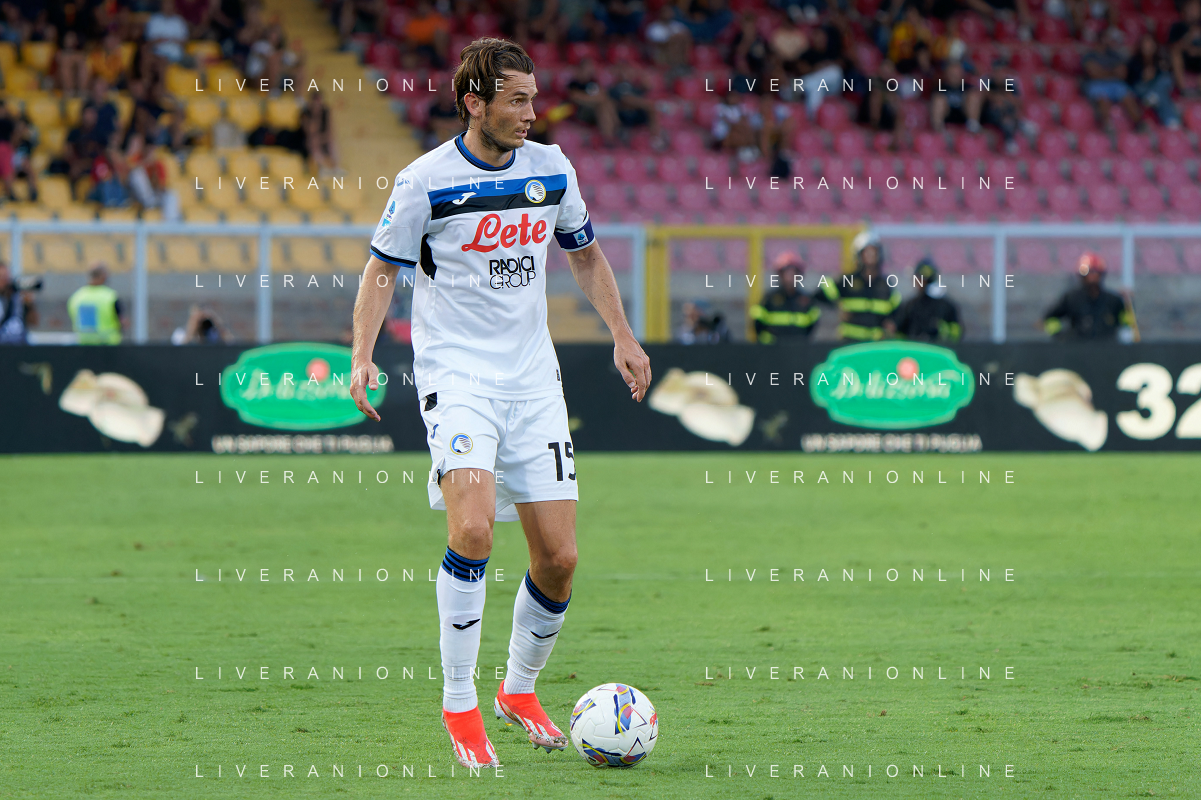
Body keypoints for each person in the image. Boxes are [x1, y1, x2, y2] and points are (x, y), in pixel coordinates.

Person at [348, 38, 651, 770]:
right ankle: (460, 704)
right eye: (516, 100)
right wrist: (361, 355)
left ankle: (517, 691)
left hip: (534, 382)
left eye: (533, 99)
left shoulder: (552, 167)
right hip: (457, 380)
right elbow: (381, 271)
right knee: (474, 529)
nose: (531, 113)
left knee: (559, 559)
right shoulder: (425, 181)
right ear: (474, 103)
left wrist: (621, 333)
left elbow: (584, 253)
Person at [819, 229, 901, 341]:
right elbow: (822, 290)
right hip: (849, 342)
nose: (871, 256)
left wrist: (892, 323)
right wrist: (837, 306)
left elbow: (897, 311)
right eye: (867, 252)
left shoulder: (886, 284)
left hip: (875, 345)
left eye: (874, 252)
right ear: (859, 255)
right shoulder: (847, 281)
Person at [1043, 251, 1134, 341]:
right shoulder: (1071, 298)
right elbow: (1050, 318)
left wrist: (1129, 304)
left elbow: (1128, 322)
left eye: (1096, 272)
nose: (1092, 277)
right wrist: (1060, 336)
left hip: (1106, 347)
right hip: (1077, 346)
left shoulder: (1113, 300)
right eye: (1089, 273)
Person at [750, 252, 820, 343]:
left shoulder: (806, 300)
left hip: (798, 349)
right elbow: (758, 323)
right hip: (773, 349)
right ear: (780, 275)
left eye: (794, 273)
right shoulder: (769, 299)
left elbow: (812, 326)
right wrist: (768, 343)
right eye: (787, 273)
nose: (790, 277)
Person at [889, 258, 962, 343]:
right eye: (919, 279)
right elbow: (897, 331)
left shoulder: (946, 307)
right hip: (915, 349)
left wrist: (941, 329)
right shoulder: (909, 306)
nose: (921, 282)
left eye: (924, 280)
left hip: (936, 348)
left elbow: (957, 333)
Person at [1128, 32, 1181, 129]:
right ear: (1141, 45)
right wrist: (1143, 77)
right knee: (1162, 96)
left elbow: (1166, 79)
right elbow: (1130, 81)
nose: (1148, 46)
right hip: (1141, 88)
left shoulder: (1159, 60)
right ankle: (1171, 120)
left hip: (1154, 89)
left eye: (1151, 43)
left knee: (1165, 80)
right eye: (1146, 43)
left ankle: (1154, 96)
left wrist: (1160, 69)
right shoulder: (1134, 61)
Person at [68, 264, 125, 344]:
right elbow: (121, 321)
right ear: (103, 276)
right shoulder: (110, 296)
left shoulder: (76, 297)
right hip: (108, 344)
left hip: (84, 344)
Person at [0, 261, 38, 344]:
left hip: (20, 345)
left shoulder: (17, 297)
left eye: (6, 277)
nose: (5, 281)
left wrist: (29, 304)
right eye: (1, 277)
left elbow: (33, 322)